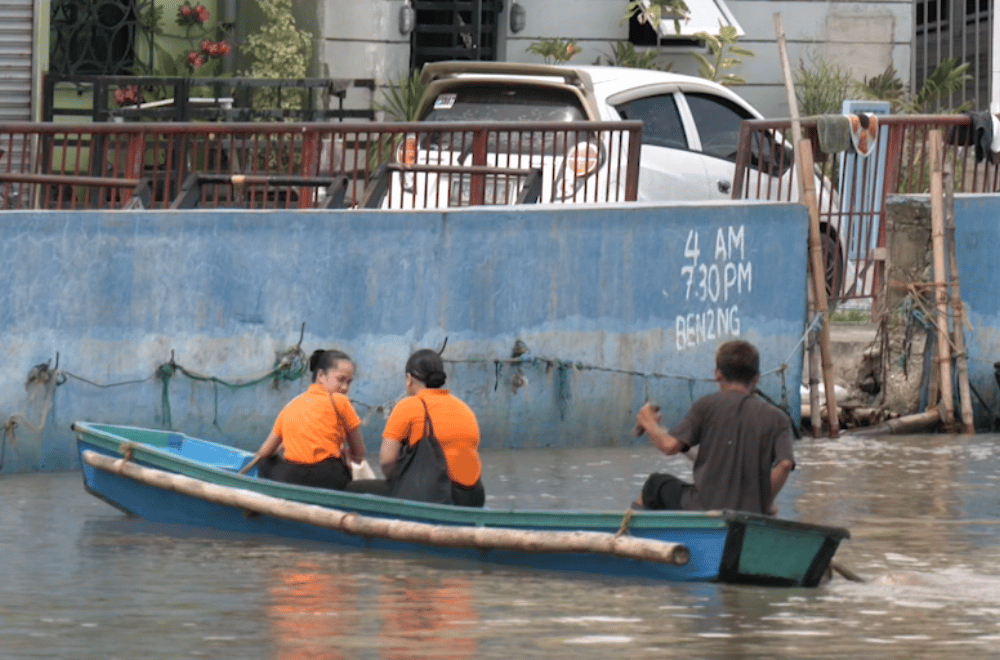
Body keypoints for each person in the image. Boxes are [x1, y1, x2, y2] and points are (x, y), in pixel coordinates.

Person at [632, 340, 795, 516]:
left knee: (654, 485)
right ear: (756, 378)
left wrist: (648, 421)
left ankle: (628, 534)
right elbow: (785, 465)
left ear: (717, 374)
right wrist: (765, 502)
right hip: (752, 512)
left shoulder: (706, 406)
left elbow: (669, 446)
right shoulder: (779, 419)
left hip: (703, 507)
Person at [347, 348, 485, 507]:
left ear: (408, 379)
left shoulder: (408, 406)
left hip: (433, 496)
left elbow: (387, 461)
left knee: (353, 488)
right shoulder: (464, 409)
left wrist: (398, 481)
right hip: (472, 497)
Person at [253, 349, 366, 490]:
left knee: (265, 463)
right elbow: (359, 453)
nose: (345, 388)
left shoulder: (290, 405)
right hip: (329, 478)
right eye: (340, 380)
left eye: (349, 382)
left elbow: (263, 453)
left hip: (290, 479)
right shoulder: (340, 401)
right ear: (320, 376)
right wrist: (348, 455)